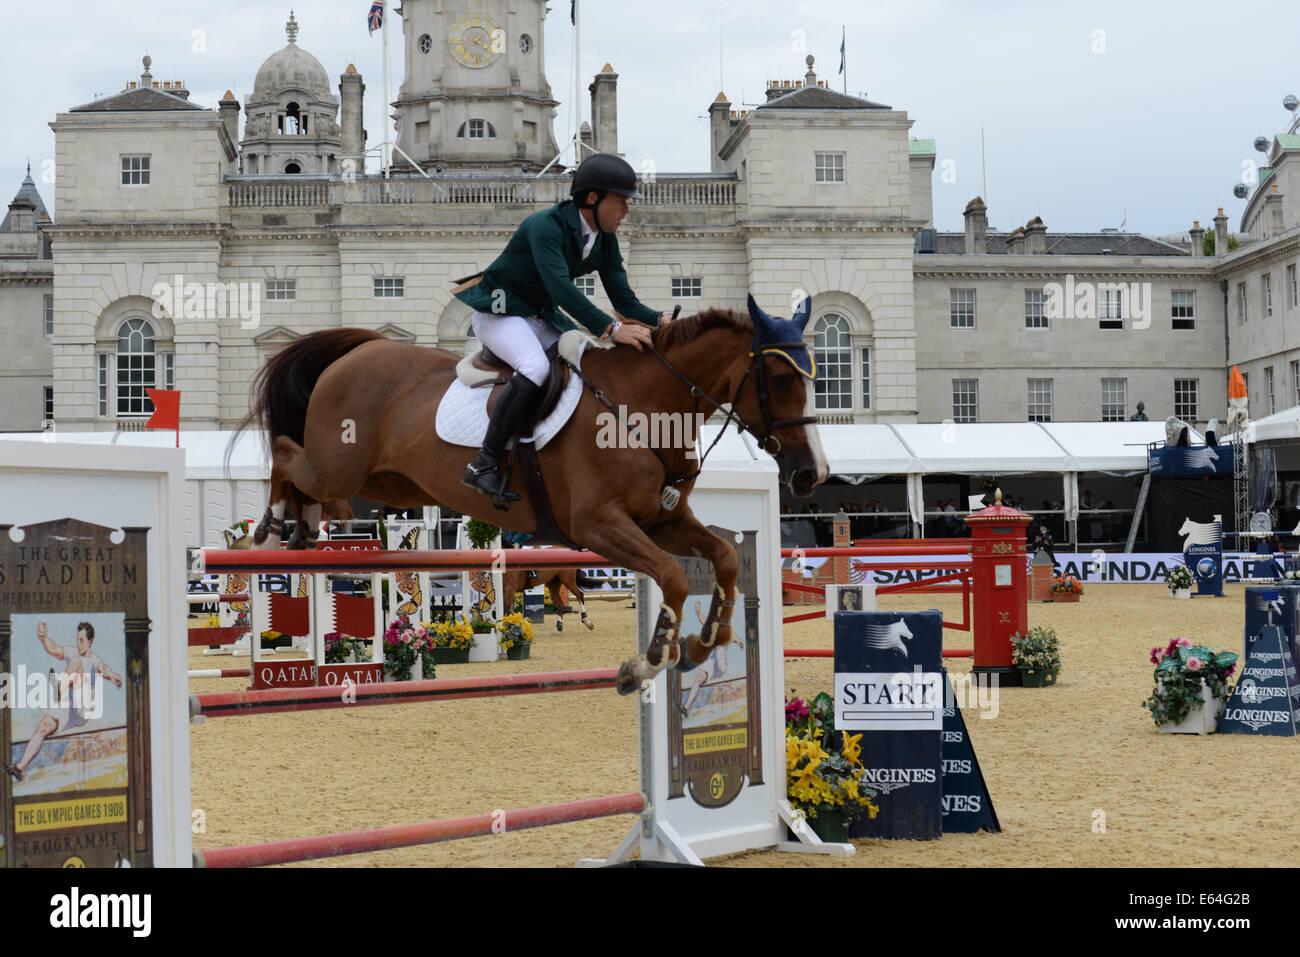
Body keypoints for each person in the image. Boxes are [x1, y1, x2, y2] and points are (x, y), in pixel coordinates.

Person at [453, 153, 674, 505]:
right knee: (535, 367)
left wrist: (660, 320)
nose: (626, 210)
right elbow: (560, 289)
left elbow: (624, 300)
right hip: (501, 311)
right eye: (621, 201)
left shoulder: (604, 239)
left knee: (585, 362)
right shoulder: (545, 226)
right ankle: (484, 463)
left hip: (538, 316)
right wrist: (611, 330)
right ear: (592, 198)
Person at [3, 621, 122, 783]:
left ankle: (60, 687)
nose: (78, 644)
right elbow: (54, 649)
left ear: (90, 642)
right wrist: (44, 638)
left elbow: (104, 669)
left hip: (83, 708)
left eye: (82, 641)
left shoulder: (94, 661)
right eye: (77, 640)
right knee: (44, 726)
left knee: (75, 663)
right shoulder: (72, 651)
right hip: (68, 707)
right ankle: (20, 767)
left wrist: (113, 675)